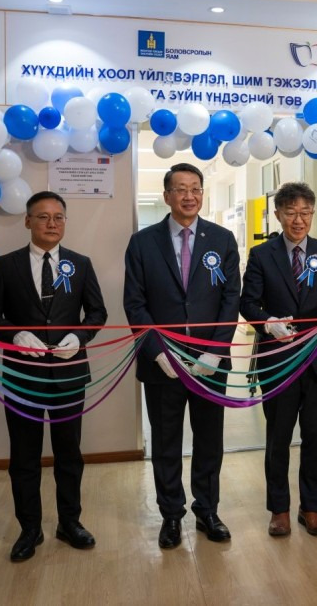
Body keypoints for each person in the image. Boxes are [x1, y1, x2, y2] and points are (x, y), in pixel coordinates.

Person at [0, 191, 107, 561]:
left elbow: (97, 312)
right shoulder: (6, 265)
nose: (52, 223)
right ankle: (29, 529)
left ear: (65, 221)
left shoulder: (80, 264)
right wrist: (14, 334)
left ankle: (70, 522)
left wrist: (80, 336)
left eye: (58, 217)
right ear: (28, 221)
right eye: (43, 216)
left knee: (69, 453)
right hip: (23, 377)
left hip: (69, 375)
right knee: (24, 456)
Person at [123, 162, 241, 549]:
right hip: (163, 366)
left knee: (209, 440)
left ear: (202, 194)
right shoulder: (143, 243)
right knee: (166, 442)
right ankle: (171, 515)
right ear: (167, 196)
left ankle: (207, 510)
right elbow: (135, 303)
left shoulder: (222, 240)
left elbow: (231, 300)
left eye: (196, 188)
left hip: (210, 365)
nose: (189, 196)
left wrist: (215, 352)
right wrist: (157, 352)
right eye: (181, 189)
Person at [240, 182, 317, 537]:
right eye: (291, 212)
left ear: (313, 214)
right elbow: (248, 303)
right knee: (278, 438)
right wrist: (267, 323)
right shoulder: (262, 255)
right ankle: (279, 510)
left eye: (305, 212)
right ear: (278, 214)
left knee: (314, 437)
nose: (298, 219)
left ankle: (312, 508)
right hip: (278, 361)